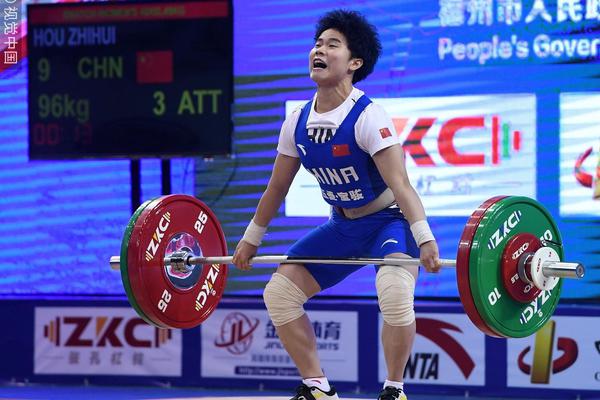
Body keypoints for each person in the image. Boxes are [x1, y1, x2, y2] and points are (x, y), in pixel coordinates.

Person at [232, 9, 441, 400]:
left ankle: (394, 389)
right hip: (343, 226)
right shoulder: (296, 121)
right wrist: (251, 239)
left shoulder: (368, 116)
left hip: (389, 221)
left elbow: (401, 184)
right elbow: (276, 188)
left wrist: (425, 238)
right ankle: (318, 387)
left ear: (354, 63)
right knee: (279, 294)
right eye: (317, 43)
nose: (319, 50)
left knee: (394, 291)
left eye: (332, 45)